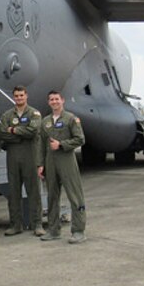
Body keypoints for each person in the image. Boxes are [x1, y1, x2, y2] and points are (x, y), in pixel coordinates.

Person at [37, 91, 87, 244]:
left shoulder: (71, 119)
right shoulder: (45, 121)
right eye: (51, 99)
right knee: (52, 196)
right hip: (50, 162)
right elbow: (41, 144)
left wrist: (61, 145)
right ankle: (53, 230)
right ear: (48, 102)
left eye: (56, 99)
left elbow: (80, 139)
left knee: (74, 195)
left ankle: (78, 231)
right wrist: (40, 164)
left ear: (62, 100)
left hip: (66, 160)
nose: (54, 102)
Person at [0, 85, 44, 236]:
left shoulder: (34, 113)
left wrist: (14, 130)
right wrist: (21, 135)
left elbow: (34, 131)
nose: (19, 98)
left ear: (26, 96)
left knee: (34, 191)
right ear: (13, 97)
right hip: (13, 157)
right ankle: (15, 224)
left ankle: (37, 223)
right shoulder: (7, 115)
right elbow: (3, 134)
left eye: (21, 95)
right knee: (13, 192)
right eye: (16, 96)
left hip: (30, 156)